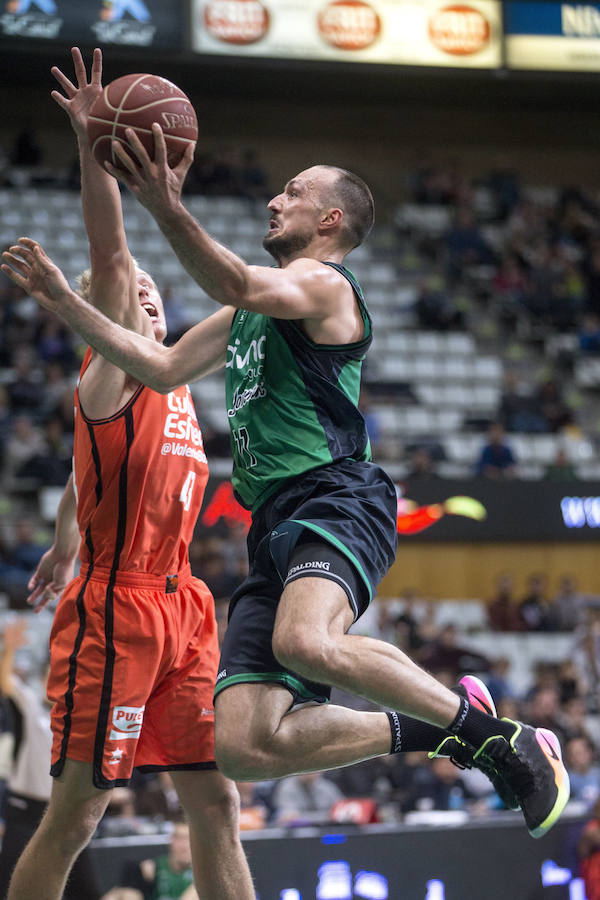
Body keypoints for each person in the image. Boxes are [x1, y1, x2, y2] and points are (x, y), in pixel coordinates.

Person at [2, 69, 570, 841]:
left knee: (307, 641)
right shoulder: (246, 312)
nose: (274, 199)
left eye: (292, 191)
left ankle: (496, 738)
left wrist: (168, 205)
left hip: (338, 495)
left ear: (329, 217)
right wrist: (66, 300)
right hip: (271, 523)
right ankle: (441, 730)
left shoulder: (325, 285)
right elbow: (158, 365)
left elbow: (231, 274)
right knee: (243, 747)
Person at [0, 48, 254, 900]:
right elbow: (110, 256)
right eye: (130, 292)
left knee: (215, 797)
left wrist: (65, 539)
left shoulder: (172, 378)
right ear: (110, 315)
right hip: (120, 610)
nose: (145, 291)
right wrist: (93, 145)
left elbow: (84, 479)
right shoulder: (110, 378)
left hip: (182, 601)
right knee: (77, 814)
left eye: (151, 289)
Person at [101, 820, 197, 900]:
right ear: (171, 840)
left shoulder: (202, 874)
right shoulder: (153, 867)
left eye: (188, 839)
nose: (184, 846)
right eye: (180, 838)